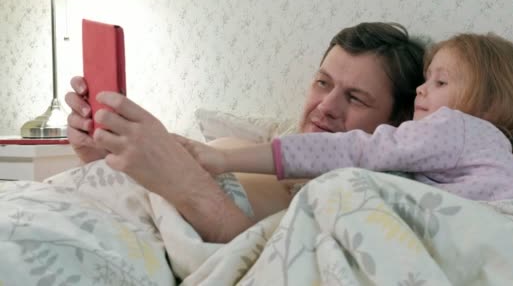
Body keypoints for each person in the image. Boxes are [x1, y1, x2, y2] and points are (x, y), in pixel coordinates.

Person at [64, 22, 425, 242]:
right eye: (322, 82)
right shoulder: (258, 149)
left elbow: (272, 264)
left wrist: (186, 183)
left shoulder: (360, 200)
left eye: (356, 98)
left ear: (395, 125)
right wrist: (95, 155)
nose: (326, 105)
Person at [187, 33, 513, 202]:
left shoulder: (456, 128)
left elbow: (353, 151)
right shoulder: (485, 151)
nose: (423, 90)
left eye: (439, 82)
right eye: (321, 83)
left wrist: (224, 159)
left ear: (490, 106)